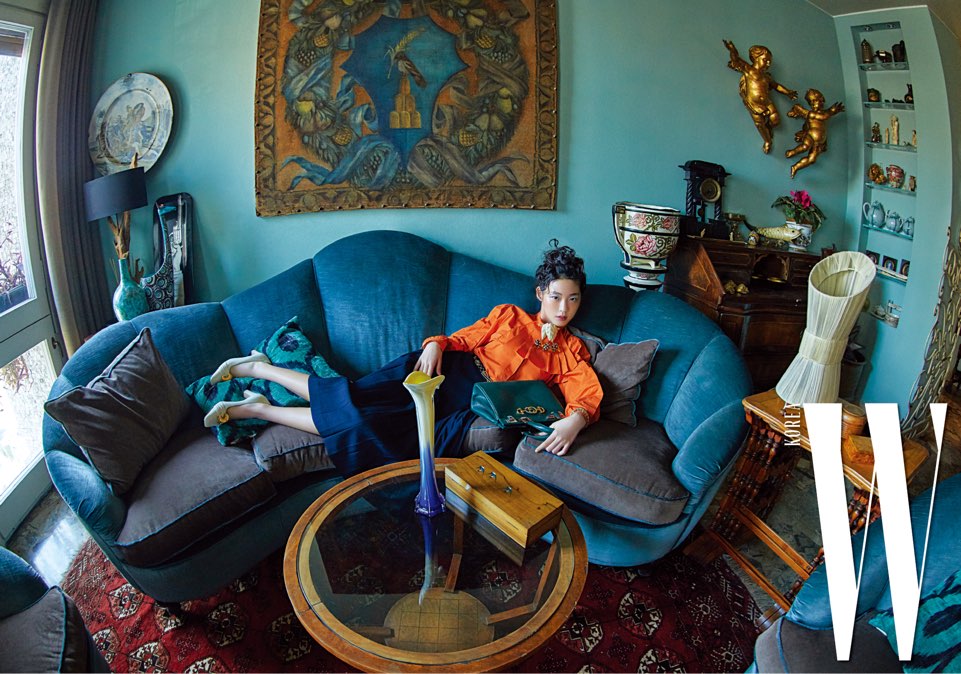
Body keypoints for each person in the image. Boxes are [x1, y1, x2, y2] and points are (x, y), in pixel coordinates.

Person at [202, 243, 603, 477]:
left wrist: (576, 420)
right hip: (443, 369)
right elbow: (463, 338)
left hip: (470, 403)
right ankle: (259, 368)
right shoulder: (509, 316)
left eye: (572, 299)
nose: (563, 308)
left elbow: (584, 391)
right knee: (352, 398)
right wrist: (435, 345)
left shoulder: (572, 351)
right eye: (555, 297)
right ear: (540, 293)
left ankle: (260, 405)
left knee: (363, 424)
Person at [723, 40, 797, 154]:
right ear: (755, 58)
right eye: (765, 60)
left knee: (776, 120)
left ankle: (768, 127)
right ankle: (767, 141)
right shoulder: (749, 70)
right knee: (759, 124)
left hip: (767, 102)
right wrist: (732, 49)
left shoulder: (766, 77)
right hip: (754, 104)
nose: (768, 63)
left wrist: (788, 92)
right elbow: (736, 59)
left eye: (769, 62)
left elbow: (776, 86)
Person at [785, 89, 844, 178]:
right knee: (805, 147)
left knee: (812, 159)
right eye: (814, 102)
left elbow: (826, 114)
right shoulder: (812, 114)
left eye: (820, 101)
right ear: (811, 104)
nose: (818, 103)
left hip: (819, 142)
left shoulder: (825, 112)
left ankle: (795, 167)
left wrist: (833, 111)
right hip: (810, 136)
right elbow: (823, 117)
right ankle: (792, 152)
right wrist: (832, 111)